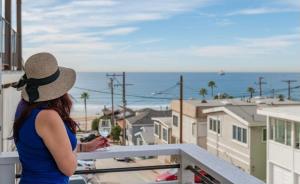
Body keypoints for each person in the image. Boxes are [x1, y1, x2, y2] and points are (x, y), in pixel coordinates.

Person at [13, 52, 109, 184]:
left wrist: (84, 147)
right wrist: (75, 146)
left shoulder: (24, 107)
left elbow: (44, 148)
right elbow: (69, 169)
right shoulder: (47, 116)